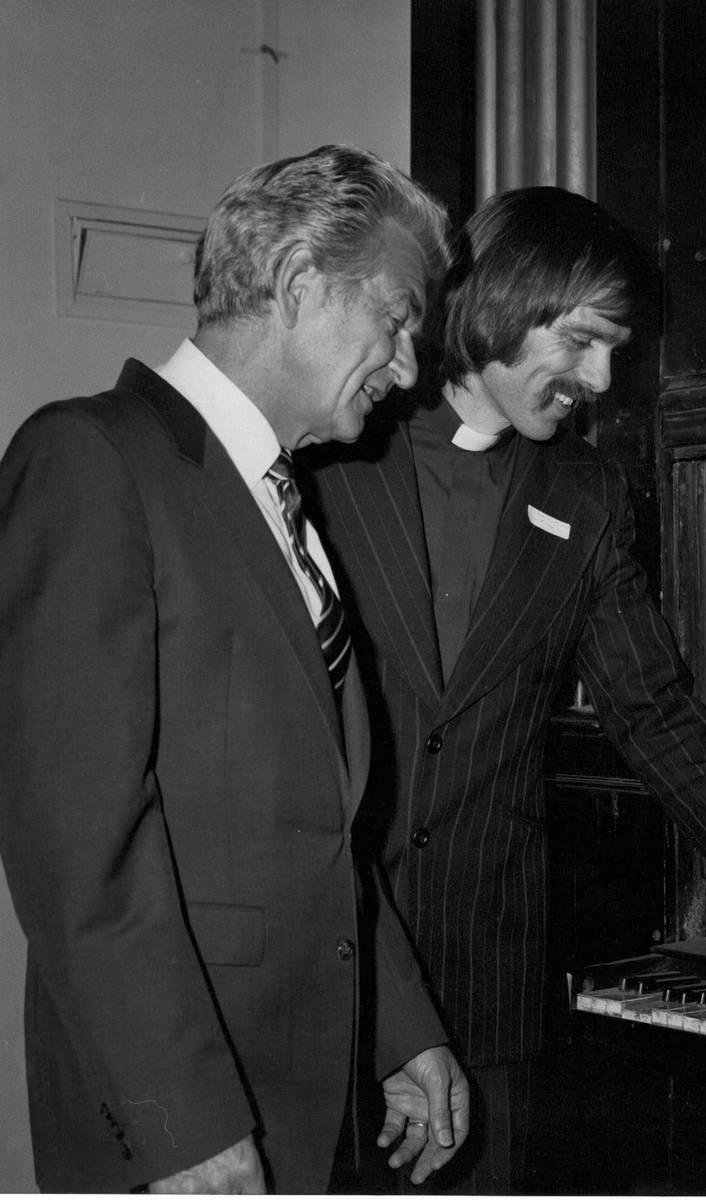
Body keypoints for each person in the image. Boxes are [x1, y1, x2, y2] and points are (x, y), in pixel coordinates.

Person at [302, 186, 706, 1194]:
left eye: (617, 351)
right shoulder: (332, 458)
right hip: (320, 970)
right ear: (506, 303)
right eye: (585, 341)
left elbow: (657, 715)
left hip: (482, 982)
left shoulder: (585, 497)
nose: (599, 380)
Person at [0, 145, 470, 1194]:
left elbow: (315, 829)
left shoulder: (286, 499)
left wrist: (402, 1027)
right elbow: (78, 851)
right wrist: (184, 1124)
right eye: (396, 320)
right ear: (302, 286)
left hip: (305, 1094)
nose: (406, 365)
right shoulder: (90, 460)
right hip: (181, 1124)